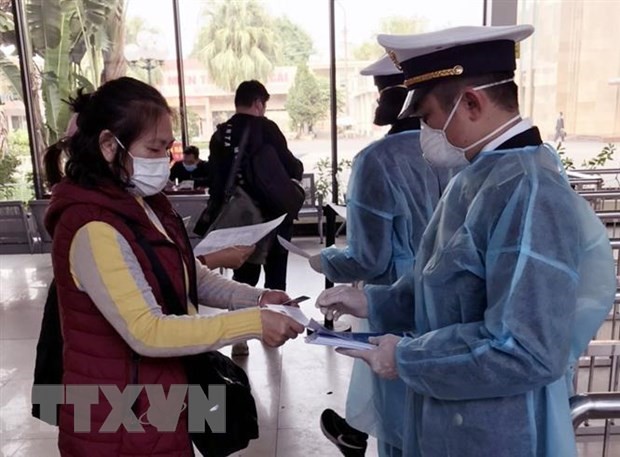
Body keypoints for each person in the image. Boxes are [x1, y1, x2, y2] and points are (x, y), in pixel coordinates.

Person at [316, 25, 616, 457]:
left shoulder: (528, 190)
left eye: (426, 117)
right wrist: (373, 304)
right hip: (452, 421)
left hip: (493, 432)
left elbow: (524, 350)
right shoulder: (477, 179)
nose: (424, 132)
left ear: (471, 102)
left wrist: (405, 358)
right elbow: (448, 289)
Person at [42, 76, 305, 456]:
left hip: (154, 398)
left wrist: (258, 298)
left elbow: (189, 276)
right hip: (113, 416)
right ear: (108, 146)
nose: (165, 160)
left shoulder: (146, 205)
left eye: (167, 148)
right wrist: (253, 325)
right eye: (154, 148)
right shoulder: (93, 227)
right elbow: (147, 331)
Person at [312, 54, 456, 457]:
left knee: (396, 418)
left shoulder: (377, 160)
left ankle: (357, 434)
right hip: (449, 299)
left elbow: (369, 259)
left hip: (395, 295)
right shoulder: (464, 153)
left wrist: (323, 261)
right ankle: (353, 431)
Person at [207, 80, 304, 356]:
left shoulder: (220, 134)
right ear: (259, 103)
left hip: (238, 217)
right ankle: (276, 328)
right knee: (275, 272)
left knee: (243, 273)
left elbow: (214, 178)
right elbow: (290, 166)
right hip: (274, 215)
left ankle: (241, 337)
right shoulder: (267, 129)